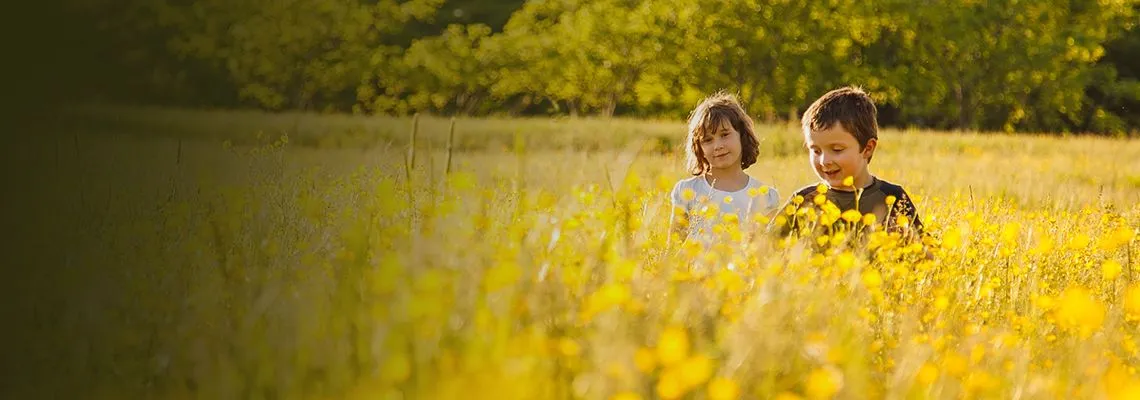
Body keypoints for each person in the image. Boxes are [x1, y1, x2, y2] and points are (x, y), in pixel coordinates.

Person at [774, 86, 924, 241]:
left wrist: (909, 240)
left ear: (868, 148)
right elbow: (764, 250)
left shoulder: (893, 197)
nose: (824, 161)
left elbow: (927, 255)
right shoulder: (804, 200)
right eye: (816, 151)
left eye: (837, 149)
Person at [668, 91, 780, 248]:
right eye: (708, 140)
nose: (718, 146)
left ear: (742, 135)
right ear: (698, 148)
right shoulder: (688, 191)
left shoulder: (763, 196)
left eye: (725, 134)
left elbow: (765, 253)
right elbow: (672, 249)